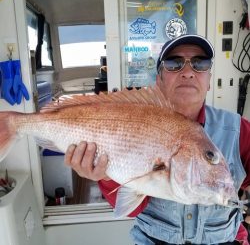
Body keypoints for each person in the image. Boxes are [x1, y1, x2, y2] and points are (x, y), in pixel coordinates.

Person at [64, 34, 250, 245]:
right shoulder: (135, 115)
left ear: (209, 80)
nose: (188, 72)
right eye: (174, 63)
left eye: (200, 63)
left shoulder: (238, 130)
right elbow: (132, 208)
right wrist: (104, 177)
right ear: (159, 79)